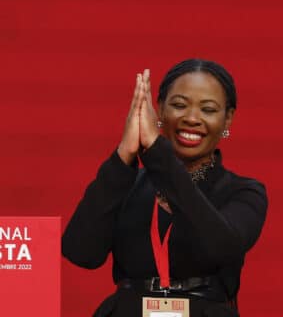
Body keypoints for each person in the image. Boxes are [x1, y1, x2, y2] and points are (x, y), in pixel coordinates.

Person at [62, 59, 267, 317]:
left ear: (228, 119)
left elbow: (220, 247)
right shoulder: (125, 182)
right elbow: (81, 252)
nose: (192, 118)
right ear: (158, 110)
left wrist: (156, 150)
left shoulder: (243, 192)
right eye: (179, 105)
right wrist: (125, 154)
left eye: (208, 109)